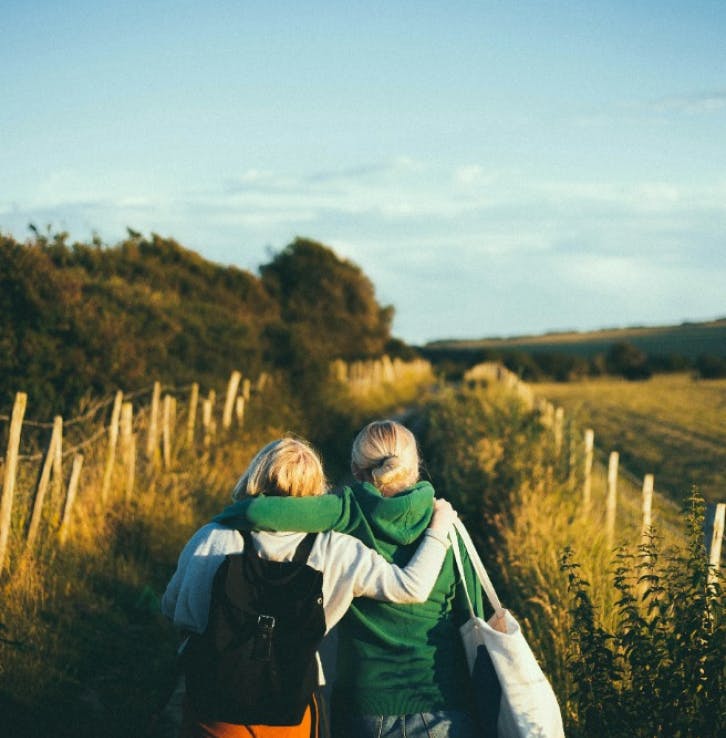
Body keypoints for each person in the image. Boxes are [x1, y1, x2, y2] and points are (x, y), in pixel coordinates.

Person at [215, 420, 500, 738]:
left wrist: (221, 518)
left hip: (364, 709)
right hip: (443, 707)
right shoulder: (446, 527)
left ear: (355, 468)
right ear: (416, 464)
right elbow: (476, 619)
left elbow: (256, 512)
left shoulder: (346, 511)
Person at [162, 436, 458, 738]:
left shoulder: (212, 537)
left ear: (255, 474)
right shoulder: (336, 549)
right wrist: (438, 529)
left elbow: (174, 608)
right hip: (291, 706)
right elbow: (410, 586)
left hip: (214, 706)